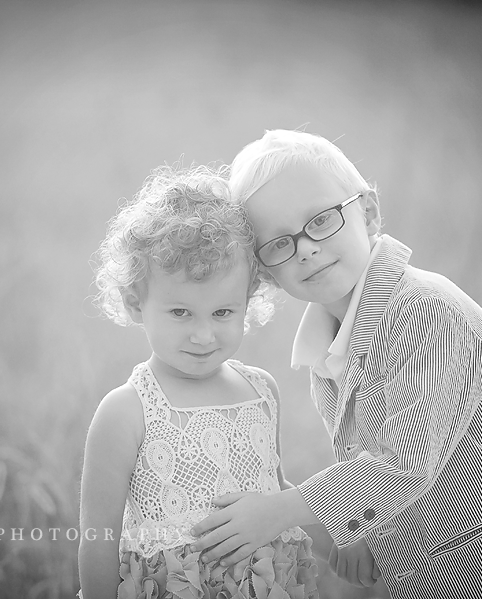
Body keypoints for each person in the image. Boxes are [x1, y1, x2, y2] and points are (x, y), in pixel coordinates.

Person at [190, 130, 482, 599]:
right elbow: (376, 467)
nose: (306, 247)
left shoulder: (422, 311)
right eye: (279, 244)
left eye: (321, 220)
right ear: (267, 272)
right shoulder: (327, 348)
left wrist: (280, 509)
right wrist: (360, 532)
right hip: (447, 572)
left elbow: (404, 462)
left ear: (367, 212)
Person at [78, 164, 320, 599]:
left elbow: (276, 491)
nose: (204, 335)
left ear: (248, 300)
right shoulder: (127, 411)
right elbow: (97, 537)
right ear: (136, 302)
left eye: (223, 312)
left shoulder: (261, 391)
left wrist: (337, 541)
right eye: (180, 312)